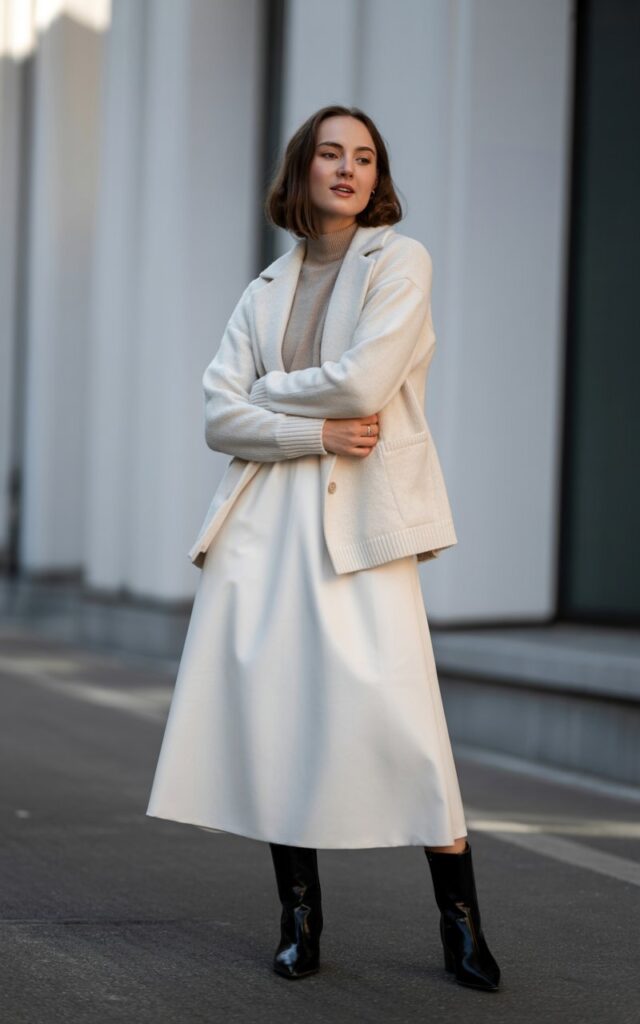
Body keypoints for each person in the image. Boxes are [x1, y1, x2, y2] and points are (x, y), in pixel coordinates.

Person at [146, 104, 500, 992]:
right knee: (279, 717)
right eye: (332, 155)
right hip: (265, 523)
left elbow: (365, 380)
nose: (348, 169)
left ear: (378, 179)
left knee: (407, 721)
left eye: (366, 158)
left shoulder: (399, 260)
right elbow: (217, 416)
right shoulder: (265, 286)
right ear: (302, 170)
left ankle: (460, 921)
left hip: (362, 522)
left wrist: (268, 394)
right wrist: (310, 432)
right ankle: (299, 918)